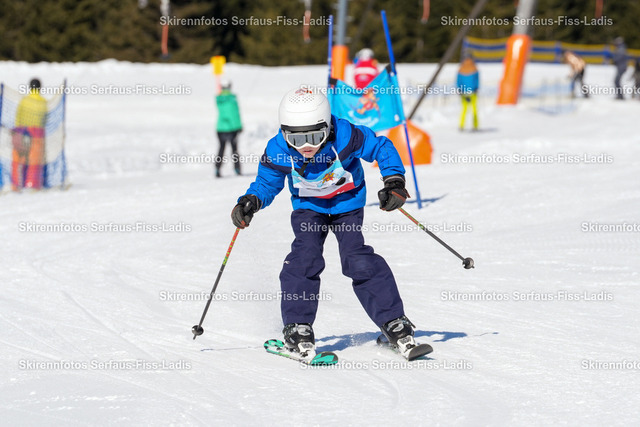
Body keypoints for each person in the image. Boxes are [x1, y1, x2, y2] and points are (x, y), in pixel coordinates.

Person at [231, 87, 420, 358]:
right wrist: (252, 200)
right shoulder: (279, 149)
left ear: (327, 128)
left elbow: (380, 146)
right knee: (304, 258)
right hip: (309, 209)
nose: (305, 146)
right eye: (296, 139)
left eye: (314, 137)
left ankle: (393, 322)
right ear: (284, 132)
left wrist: (393, 180)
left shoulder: (346, 136)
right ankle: (298, 326)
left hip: (347, 206)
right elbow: (267, 181)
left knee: (357, 259)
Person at [12, 78, 47, 191]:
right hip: (37, 135)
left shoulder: (24, 100)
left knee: (18, 160)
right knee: (34, 161)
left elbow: (18, 117)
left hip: (21, 132)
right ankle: (32, 184)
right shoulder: (43, 102)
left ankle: (16, 184)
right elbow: (45, 119)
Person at [215, 79, 242, 177]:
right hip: (232, 128)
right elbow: (235, 115)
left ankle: (217, 168)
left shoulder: (219, 99)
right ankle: (237, 168)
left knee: (221, 149)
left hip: (220, 128)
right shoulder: (232, 99)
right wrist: (239, 126)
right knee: (234, 149)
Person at [456, 55, 479, 131]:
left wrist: (459, 89)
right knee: (474, 109)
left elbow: (458, 81)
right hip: (473, 92)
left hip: (464, 92)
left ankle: (461, 125)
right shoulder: (474, 68)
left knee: (464, 109)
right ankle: (475, 126)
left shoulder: (461, 69)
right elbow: (477, 80)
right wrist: (476, 88)